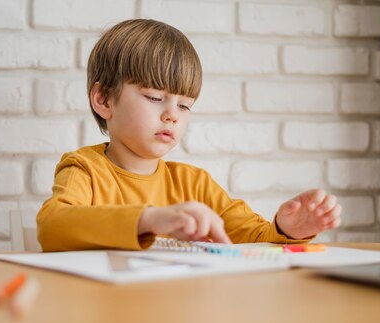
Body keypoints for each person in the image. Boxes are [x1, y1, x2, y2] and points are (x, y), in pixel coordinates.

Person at [37, 19, 342, 252]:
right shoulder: (85, 169)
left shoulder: (194, 184)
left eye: (184, 105)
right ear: (104, 99)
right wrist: (149, 220)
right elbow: (52, 227)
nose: (172, 114)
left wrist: (286, 229)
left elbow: (253, 237)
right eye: (155, 97)